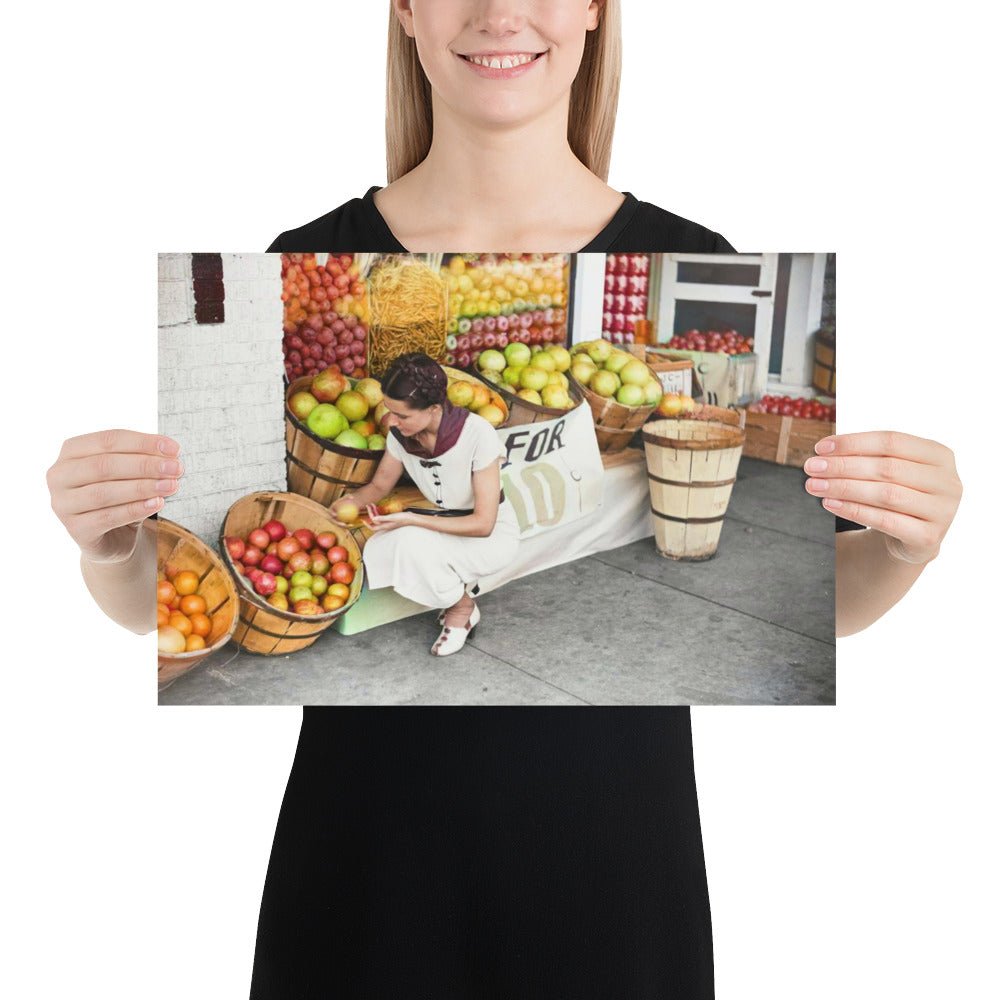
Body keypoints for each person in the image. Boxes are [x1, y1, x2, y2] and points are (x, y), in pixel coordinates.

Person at [44, 2, 963, 996]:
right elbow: (159, 610)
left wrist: (905, 548)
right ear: (403, 10)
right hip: (364, 871)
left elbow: (833, 605)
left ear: (595, 10)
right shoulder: (307, 247)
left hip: (615, 872)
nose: (498, 10)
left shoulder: (690, 247)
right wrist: (108, 549)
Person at [331, 352, 521, 655]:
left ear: (434, 408)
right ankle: (456, 597)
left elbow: (484, 524)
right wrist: (348, 502)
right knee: (385, 544)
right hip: (447, 522)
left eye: (402, 415)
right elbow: (380, 485)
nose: (391, 421)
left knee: (411, 542)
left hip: (492, 533)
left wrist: (412, 519)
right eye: (389, 411)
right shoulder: (401, 436)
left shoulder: (477, 434)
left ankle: (461, 610)